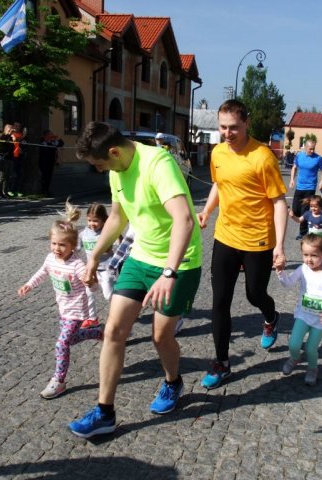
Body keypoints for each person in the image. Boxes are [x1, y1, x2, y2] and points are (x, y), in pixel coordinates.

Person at [68, 121, 202, 438]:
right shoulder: (117, 170)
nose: (99, 170)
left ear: (114, 152)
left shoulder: (158, 164)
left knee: (161, 337)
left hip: (179, 262)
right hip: (141, 258)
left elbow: (184, 219)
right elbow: (118, 216)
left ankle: (173, 382)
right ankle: (105, 412)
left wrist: (169, 272)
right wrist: (94, 257)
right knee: (113, 331)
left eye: (100, 164)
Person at [197, 99, 288, 390]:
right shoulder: (217, 152)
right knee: (220, 302)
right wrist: (207, 211)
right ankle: (221, 363)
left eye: (233, 127)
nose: (227, 133)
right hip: (225, 236)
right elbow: (219, 184)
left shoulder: (263, 157)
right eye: (223, 127)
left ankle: (271, 317)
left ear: (247, 123)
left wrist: (280, 246)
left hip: (258, 239)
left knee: (254, 294)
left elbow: (279, 202)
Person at [17, 201, 103, 399]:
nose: (57, 248)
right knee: (71, 339)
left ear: (73, 246)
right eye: (54, 243)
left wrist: (91, 282)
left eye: (62, 245)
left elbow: (93, 287)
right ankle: (97, 332)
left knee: (61, 344)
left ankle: (59, 381)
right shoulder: (50, 258)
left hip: (77, 311)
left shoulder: (77, 265)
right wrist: (29, 284)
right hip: (63, 308)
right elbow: (42, 272)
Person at [274, 234, 322, 385]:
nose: (309, 259)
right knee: (293, 343)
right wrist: (281, 272)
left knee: (311, 348)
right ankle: (294, 358)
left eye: (314, 255)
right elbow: (288, 283)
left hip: (320, 319)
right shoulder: (303, 269)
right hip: (303, 315)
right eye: (305, 255)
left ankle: (312, 369)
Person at [77, 202, 115, 330]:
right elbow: (76, 248)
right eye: (89, 220)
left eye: (96, 221)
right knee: (89, 294)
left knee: (108, 294)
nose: (92, 223)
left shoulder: (106, 232)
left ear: (104, 220)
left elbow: (115, 245)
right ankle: (92, 319)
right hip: (91, 270)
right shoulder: (84, 233)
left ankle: (119, 313)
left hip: (106, 269)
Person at [289, 139, 322, 240]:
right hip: (299, 187)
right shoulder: (299, 156)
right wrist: (292, 179)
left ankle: (303, 233)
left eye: (313, 149)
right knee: (296, 210)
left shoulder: (318, 158)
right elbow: (294, 167)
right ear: (305, 147)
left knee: (304, 211)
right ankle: (305, 224)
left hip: (310, 188)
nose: (312, 151)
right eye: (310, 149)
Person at [39, 130, 64, 196]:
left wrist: (58, 138)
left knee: (49, 177)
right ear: (45, 136)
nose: (51, 136)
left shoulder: (53, 142)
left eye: (51, 134)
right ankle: (43, 191)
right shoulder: (42, 142)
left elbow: (61, 143)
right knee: (44, 177)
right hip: (44, 162)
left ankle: (46, 190)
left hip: (51, 162)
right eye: (50, 134)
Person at [0, 124, 15, 198]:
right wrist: (10, 139)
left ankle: (5, 191)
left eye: (11, 130)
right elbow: (3, 147)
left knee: (8, 176)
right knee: (2, 176)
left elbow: (12, 148)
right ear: (6, 129)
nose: (10, 131)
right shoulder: (3, 137)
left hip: (10, 158)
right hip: (4, 158)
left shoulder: (11, 137)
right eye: (9, 130)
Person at [9, 122, 26, 196]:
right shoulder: (11, 134)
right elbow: (15, 140)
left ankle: (17, 190)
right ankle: (10, 190)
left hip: (20, 156)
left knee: (20, 174)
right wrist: (23, 136)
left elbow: (23, 143)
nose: (17, 127)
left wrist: (23, 144)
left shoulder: (20, 134)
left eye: (18, 126)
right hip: (13, 156)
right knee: (13, 174)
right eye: (15, 126)